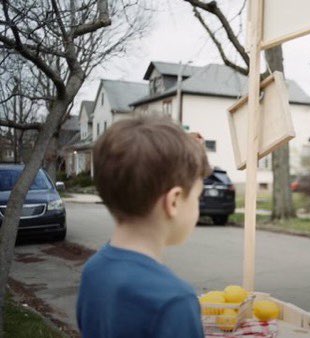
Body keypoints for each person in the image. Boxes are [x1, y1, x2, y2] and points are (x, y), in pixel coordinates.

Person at [76, 116, 211, 338]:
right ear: (174, 201)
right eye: (198, 196)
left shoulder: (94, 270)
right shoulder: (174, 302)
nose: (198, 205)